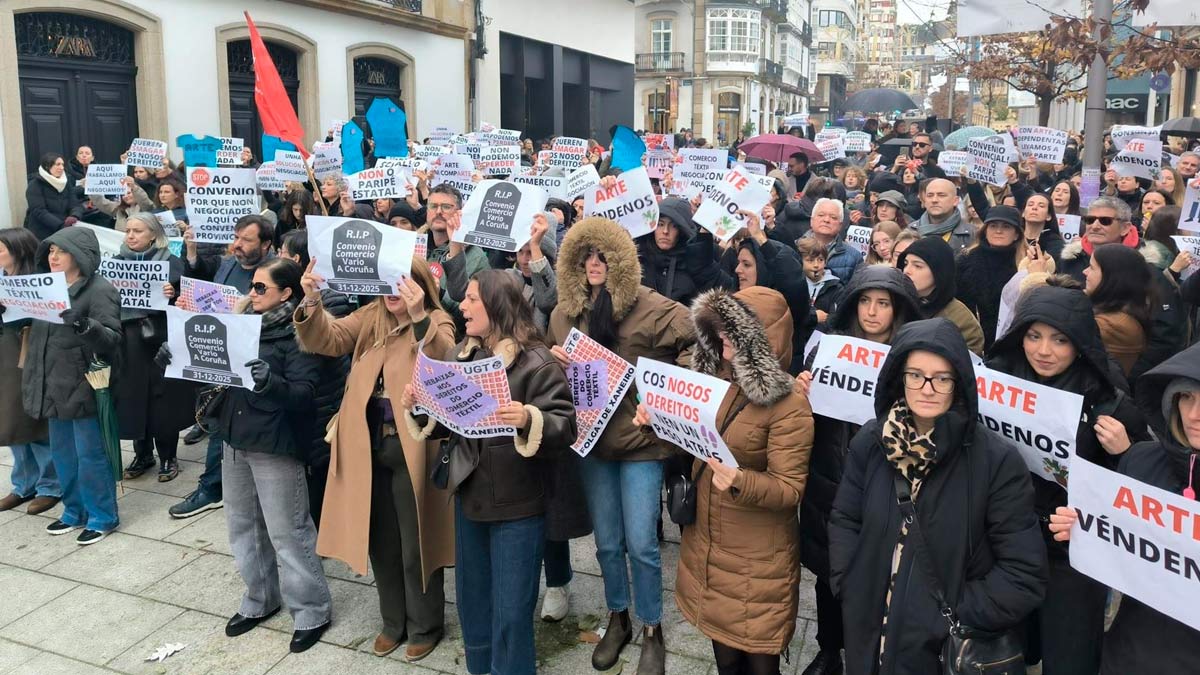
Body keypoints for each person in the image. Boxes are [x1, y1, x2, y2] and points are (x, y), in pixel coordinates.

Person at [829, 318, 1048, 675]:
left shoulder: (995, 462)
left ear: (958, 384)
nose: (927, 388)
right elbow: (845, 519)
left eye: (941, 378)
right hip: (866, 636)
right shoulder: (871, 441)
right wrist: (850, 583)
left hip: (938, 650)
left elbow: (1023, 574)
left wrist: (950, 611)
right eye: (916, 375)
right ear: (899, 378)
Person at [402, 270, 578, 675]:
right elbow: (451, 424)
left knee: (512, 614)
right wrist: (422, 405)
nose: (461, 307)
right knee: (473, 604)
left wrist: (529, 418)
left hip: (519, 508)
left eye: (472, 300)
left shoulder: (537, 362)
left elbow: (564, 424)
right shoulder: (463, 356)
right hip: (471, 501)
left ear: (497, 305)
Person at [155, 258, 331, 652]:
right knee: (242, 527)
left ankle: (311, 610)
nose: (251, 293)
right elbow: (214, 374)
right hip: (235, 439)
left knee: (288, 531)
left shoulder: (298, 334)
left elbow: (306, 396)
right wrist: (176, 356)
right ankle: (260, 598)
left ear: (286, 293)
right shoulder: (238, 326)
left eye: (260, 288)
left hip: (276, 444)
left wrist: (273, 384)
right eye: (252, 286)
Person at [547, 217, 694, 675]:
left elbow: (695, 345)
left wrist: (663, 399)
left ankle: (652, 627)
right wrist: (554, 365)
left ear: (622, 261)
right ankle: (618, 617)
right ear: (573, 262)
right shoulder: (563, 314)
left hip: (641, 444)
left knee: (642, 545)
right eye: (586, 255)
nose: (595, 263)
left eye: (603, 255)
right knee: (607, 544)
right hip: (592, 445)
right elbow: (557, 382)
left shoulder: (653, 307)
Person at [294, 256, 455, 662]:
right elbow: (325, 340)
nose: (391, 294)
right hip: (367, 443)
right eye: (385, 284)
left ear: (418, 285)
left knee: (416, 539)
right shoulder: (370, 315)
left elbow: (445, 358)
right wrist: (312, 300)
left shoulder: (437, 318)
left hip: (413, 446)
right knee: (381, 539)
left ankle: (425, 624)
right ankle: (392, 620)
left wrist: (420, 315)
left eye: (400, 284)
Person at [987, 280, 1150, 675]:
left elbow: (1145, 493)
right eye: (1034, 336)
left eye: (1059, 340)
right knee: (1000, 653)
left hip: (1073, 559)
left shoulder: (1110, 401)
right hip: (1005, 544)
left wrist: (1127, 452)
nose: (1044, 351)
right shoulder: (996, 381)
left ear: (1080, 343)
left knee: (1070, 657)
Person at [648, 287, 812, 675]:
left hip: (757, 561)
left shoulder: (791, 406)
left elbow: (790, 489)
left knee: (758, 662)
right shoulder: (710, 383)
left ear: (761, 339)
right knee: (725, 658)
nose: (722, 336)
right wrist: (657, 425)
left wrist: (740, 479)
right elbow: (687, 446)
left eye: (732, 329)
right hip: (709, 545)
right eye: (719, 327)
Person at [796, 266, 921, 675]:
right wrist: (802, 393)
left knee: (882, 579)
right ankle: (829, 649)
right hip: (830, 480)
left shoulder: (916, 360)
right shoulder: (828, 349)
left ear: (898, 310)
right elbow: (805, 422)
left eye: (883, 303)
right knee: (831, 574)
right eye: (865, 301)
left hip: (888, 486)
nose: (872, 312)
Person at [1048, 342, 1200, 674]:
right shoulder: (1141, 460)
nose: (1193, 415)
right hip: (1130, 652)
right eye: (1186, 397)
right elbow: (1116, 542)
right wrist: (1080, 528)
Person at [170, 214, 277, 519]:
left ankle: (216, 487)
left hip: (255, 361)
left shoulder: (273, 272)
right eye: (236, 237)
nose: (237, 245)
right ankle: (215, 485)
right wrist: (189, 306)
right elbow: (212, 302)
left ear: (266, 244)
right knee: (218, 421)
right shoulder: (227, 264)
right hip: (221, 357)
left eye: (246, 240)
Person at [22, 227, 122, 544]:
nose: (52, 257)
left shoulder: (99, 290)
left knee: (90, 455)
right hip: (51, 383)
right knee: (64, 454)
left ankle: (102, 516)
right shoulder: (44, 287)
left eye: (60, 252)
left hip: (83, 384)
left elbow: (111, 339)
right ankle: (73, 511)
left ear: (79, 256)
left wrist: (84, 324)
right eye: (50, 251)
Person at [277, 229, 353, 524]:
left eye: (282, 252)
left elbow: (325, 343)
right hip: (299, 405)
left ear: (297, 259)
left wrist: (310, 302)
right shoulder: (279, 296)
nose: (278, 256)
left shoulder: (332, 300)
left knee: (320, 471)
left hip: (321, 400)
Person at [112, 214, 191, 482]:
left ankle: (168, 455)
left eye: (137, 231)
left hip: (160, 340)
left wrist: (175, 293)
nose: (130, 236)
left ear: (153, 235)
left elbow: (188, 301)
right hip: (129, 341)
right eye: (128, 231)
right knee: (133, 397)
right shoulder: (117, 262)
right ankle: (142, 453)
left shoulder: (170, 262)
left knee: (162, 399)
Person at [0, 228, 59, 515]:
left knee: (33, 420)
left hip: (27, 354)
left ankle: (49, 484)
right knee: (11, 420)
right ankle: (23, 483)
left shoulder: (37, 281)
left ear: (18, 250)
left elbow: (44, 319)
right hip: (4, 357)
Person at [728, 214, 812, 374]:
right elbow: (702, 270)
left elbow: (792, 282)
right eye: (739, 263)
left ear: (764, 269)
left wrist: (761, 239)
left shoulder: (789, 308)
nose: (737, 270)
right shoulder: (732, 302)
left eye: (746, 264)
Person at [954, 205, 1029, 350]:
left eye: (1006, 226)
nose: (999, 231)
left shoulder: (1025, 265)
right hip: (971, 342)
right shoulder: (965, 261)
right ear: (985, 231)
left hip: (1012, 345)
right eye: (993, 226)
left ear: (1016, 234)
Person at [898, 237, 985, 354]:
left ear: (938, 271)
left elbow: (965, 365)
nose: (907, 271)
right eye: (905, 263)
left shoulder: (962, 320)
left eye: (918, 266)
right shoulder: (895, 302)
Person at [1084, 244, 1150, 377]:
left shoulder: (1114, 326)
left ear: (1111, 278)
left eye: (1091, 267)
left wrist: (1037, 279)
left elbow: (1065, 329)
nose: (1084, 271)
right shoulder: (1111, 311)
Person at [638, 197, 716, 306]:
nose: (665, 231)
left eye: (674, 226)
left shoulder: (696, 265)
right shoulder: (637, 259)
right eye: (660, 224)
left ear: (682, 231)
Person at [801, 198, 864, 283]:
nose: (826, 220)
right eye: (821, 215)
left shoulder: (854, 257)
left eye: (833, 217)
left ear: (840, 225)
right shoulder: (794, 248)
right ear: (811, 220)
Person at [24, 152, 83, 240]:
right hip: (42, 233)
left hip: (64, 232)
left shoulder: (65, 183)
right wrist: (60, 225)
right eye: (58, 164)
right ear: (48, 166)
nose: (62, 168)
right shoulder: (35, 185)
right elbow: (39, 211)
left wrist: (74, 215)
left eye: (63, 164)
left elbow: (75, 204)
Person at [913, 178, 973, 251]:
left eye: (941, 195)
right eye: (930, 195)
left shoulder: (972, 235)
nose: (934, 200)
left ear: (955, 201)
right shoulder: (911, 231)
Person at [89, 176, 155, 233]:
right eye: (123, 194)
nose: (126, 196)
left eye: (129, 193)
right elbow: (102, 203)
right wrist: (90, 188)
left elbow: (144, 200)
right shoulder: (118, 208)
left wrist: (134, 186)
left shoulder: (145, 208)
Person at [1020, 192, 1065, 265]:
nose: (1034, 208)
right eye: (1030, 205)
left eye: (1041, 206)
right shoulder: (1014, 238)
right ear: (1023, 213)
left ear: (1049, 216)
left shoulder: (1056, 245)